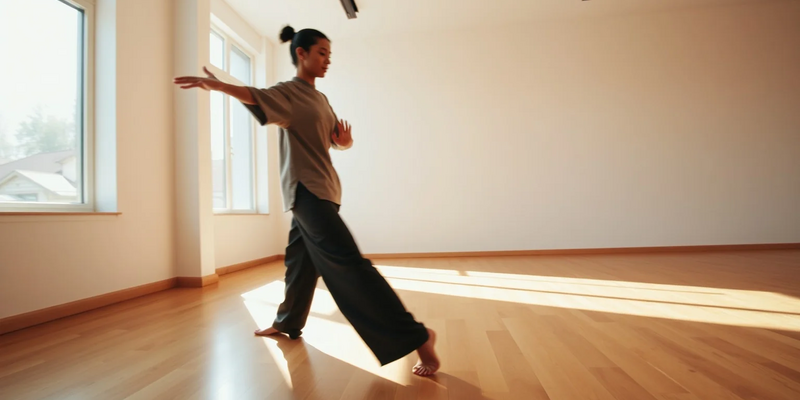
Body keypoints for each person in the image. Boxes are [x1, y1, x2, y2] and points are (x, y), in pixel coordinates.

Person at [173, 25, 440, 376]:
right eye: (321, 53)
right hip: (307, 192)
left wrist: (344, 140)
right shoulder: (290, 93)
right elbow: (255, 95)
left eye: (329, 54)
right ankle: (287, 323)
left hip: (317, 191)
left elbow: (336, 142)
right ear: (301, 54)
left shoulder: (321, 99)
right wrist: (220, 85)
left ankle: (419, 337)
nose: (327, 60)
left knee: (348, 267)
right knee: (300, 264)